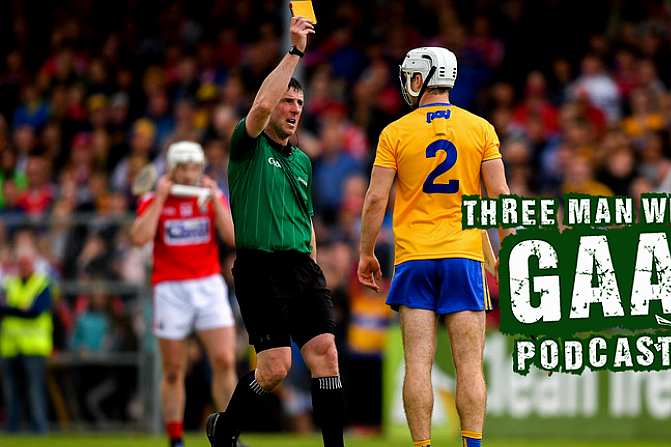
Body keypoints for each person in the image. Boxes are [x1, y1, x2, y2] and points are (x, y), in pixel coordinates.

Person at [357, 47, 512, 447]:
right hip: (464, 257)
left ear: (421, 78)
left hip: (414, 259)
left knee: (417, 365)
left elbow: (376, 199)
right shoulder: (480, 129)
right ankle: (472, 444)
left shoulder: (395, 132)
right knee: (469, 367)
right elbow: (499, 196)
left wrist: (367, 252)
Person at [205, 16, 345, 447]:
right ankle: (224, 429)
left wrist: (314, 265)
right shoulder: (246, 146)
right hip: (260, 268)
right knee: (275, 369)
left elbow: (305, 219)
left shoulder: (302, 161)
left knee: (326, 355)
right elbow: (260, 108)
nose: (293, 110)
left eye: (298, 105)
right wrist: (295, 52)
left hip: (302, 266)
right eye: (287, 102)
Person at [130, 141, 237, 447]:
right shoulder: (154, 198)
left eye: (195, 167)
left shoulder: (210, 195)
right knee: (175, 370)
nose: (191, 174)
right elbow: (139, 238)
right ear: (173, 169)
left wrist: (216, 201)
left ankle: (228, 435)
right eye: (185, 168)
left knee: (224, 361)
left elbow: (231, 237)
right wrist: (160, 199)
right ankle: (175, 438)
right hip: (170, 288)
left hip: (208, 285)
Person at [0, 242, 53, 433]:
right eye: (20, 263)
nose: (23, 267)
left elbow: (37, 311)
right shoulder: (9, 284)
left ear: (33, 264)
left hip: (33, 347)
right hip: (10, 346)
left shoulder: (42, 284)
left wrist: (13, 310)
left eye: (27, 263)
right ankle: (11, 430)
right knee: (10, 392)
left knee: (34, 391)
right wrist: (21, 309)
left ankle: (39, 429)